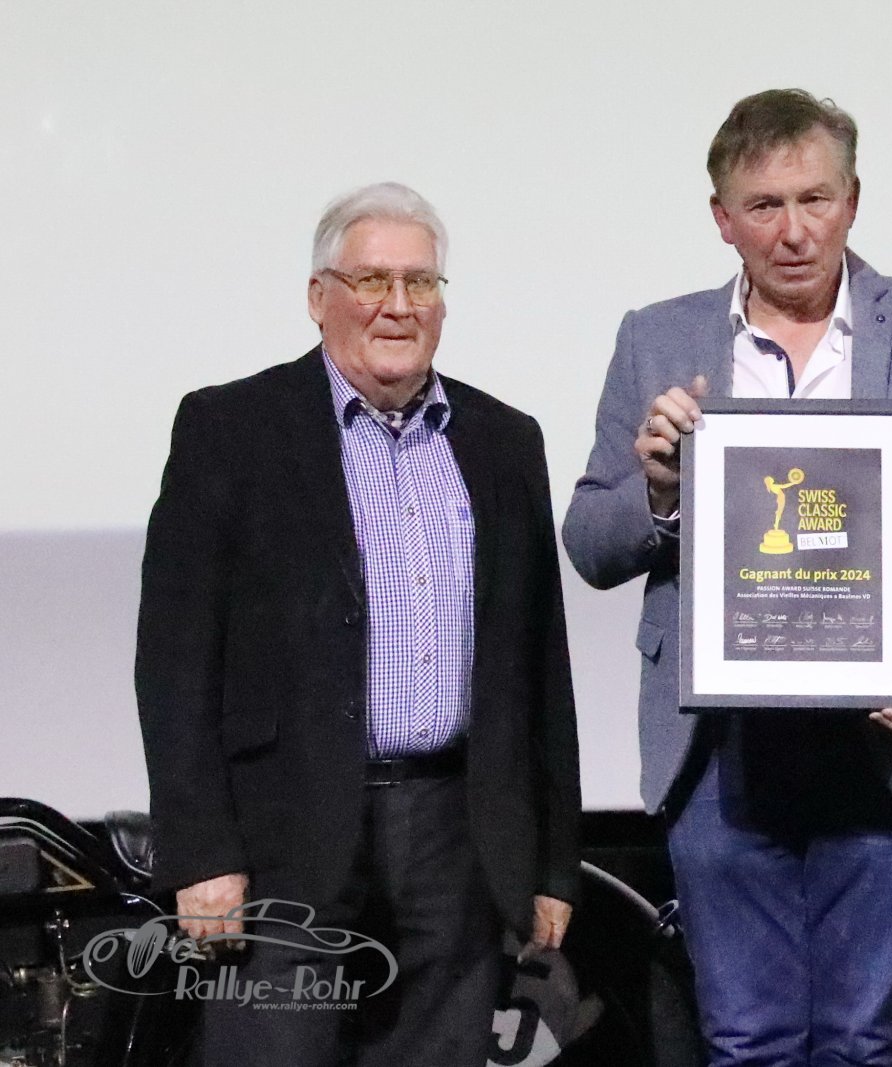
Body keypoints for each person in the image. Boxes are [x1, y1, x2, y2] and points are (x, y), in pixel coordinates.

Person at [563, 89, 892, 1066]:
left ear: (852, 200)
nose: (793, 231)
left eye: (815, 199)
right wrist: (660, 490)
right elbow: (591, 543)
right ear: (721, 217)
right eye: (764, 205)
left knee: (865, 1037)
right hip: (718, 746)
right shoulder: (659, 337)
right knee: (746, 1039)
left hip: (886, 736)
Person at [135, 181, 581, 1066]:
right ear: (319, 297)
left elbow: (540, 668)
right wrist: (200, 851)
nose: (398, 304)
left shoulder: (505, 441)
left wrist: (552, 863)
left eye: (422, 282)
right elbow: (174, 660)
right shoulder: (230, 429)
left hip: (457, 839)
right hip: (282, 841)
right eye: (372, 279)